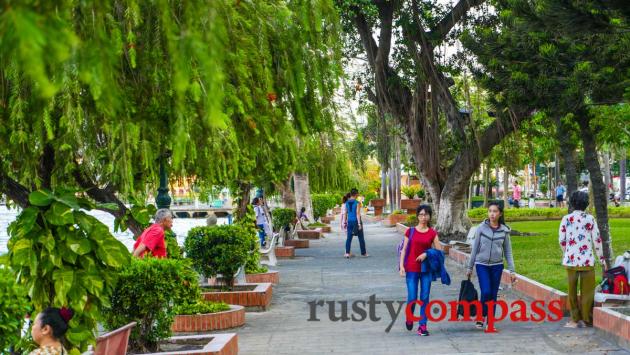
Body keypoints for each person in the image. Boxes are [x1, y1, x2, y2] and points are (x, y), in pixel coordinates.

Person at [466, 201, 516, 331]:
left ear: (500, 214)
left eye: (495, 211)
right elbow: (475, 248)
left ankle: (490, 322)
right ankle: (481, 314)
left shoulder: (504, 231)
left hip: (497, 266)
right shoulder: (481, 229)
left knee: (493, 294)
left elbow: (508, 252)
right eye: (490, 211)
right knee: (486, 291)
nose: (492, 214)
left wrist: (512, 271)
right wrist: (469, 267)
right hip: (481, 265)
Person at [559, 191, 605, 328]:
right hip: (587, 261)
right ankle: (587, 319)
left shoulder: (566, 219)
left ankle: (574, 320)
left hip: (571, 261)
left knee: (572, 291)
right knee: (588, 292)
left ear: (572, 203)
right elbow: (597, 240)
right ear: (586, 204)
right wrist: (602, 259)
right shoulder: (590, 219)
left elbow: (562, 240)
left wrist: (566, 252)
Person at [399, 204, 443, 336]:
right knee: (412, 297)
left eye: (426, 215)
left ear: (429, 216)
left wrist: (427, 254)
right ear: (418, 216)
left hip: (426, 270)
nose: (423, 217)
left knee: (424, 297)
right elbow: (404, 249)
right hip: (411, 268)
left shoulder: (432, 233)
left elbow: (439, 251)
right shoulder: (410, 231)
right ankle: (410, 316)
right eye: (421, 214)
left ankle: (422, 326)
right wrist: (401, 266)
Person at [342, 188, 368, 258]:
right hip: (356, 222)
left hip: (349, 222)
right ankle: (364, 253)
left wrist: (344, 223)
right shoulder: (357, 203)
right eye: (358, 194)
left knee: (349, 238)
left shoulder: (346, 203)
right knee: (361, 238)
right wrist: (359, 224)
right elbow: (357, 213)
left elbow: (345, 213)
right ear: (356, 194)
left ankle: (347, 253)